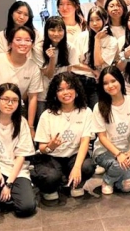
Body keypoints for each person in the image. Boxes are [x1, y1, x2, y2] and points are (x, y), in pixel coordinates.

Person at [32, 72, 96, 201]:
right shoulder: (47, 115)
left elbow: (85, 141)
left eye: (69, 88)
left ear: (76, 91)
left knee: (87, 166)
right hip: (52, 158)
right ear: (55, 94)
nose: (66, 92)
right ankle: (51, 187)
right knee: (51, 178)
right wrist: (50, 146)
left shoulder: (86, 112)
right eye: (60, 90)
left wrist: (77, 168)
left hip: (74, 156)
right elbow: (42, 148)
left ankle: (75, 184)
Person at [0, 83, 37, 217]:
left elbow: (21, 156)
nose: (10, 103)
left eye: (14, 100)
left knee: (27, 208)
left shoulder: (22, 122)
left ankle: (6, 195)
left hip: (15, 169)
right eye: (5, 99)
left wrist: (9, 184)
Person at [0, 26, 43, 132]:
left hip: (14, 112)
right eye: (18, 39)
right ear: (10, 43)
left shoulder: (33, 68)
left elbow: (32, 98)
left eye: (27, 40)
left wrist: (30, 127)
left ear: (32, 45)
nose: (23, 43)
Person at [92, 67, 130, 195]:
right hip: (104, 152)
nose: (110, 86)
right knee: (117, 165)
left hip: (126, 151)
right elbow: (102, 137)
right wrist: (118, 154)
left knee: (128, 187)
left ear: (120, 81)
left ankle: (116, 176)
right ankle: (107, 180)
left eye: (113, 81)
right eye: (105, 83)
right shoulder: (99, 107)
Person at [72, 6, 118, 109]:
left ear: (106, 20)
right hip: (79, 79)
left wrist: (97, 39)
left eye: (98, 19)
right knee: (79, 111)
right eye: (91, 20)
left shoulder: (112, 41)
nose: (95, 23)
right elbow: (73, 63)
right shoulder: (82, 36)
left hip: (97, 82)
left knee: (96, 110)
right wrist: (92, 70)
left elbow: (98, 62)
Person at [35, 17, 75, 123]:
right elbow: (48, 74)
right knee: (44, 125)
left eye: (60, 30)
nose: (56, 34)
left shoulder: (70, 48)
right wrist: (52, 59)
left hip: (62, 95)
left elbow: (69, 74)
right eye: (52, 30)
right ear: (46, 31)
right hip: (44, 95)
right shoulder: (39, 48)